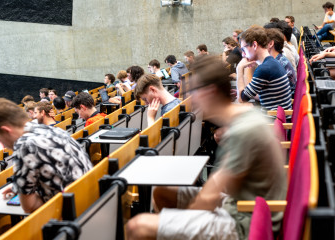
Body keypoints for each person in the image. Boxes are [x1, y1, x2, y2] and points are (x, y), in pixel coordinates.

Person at [126, 56, 286, 240]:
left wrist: (183, 220)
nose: (191, 97)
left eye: (195, 91)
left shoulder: (243, 131)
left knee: (138, 227)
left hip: (248, 222)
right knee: (162, 192)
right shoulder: (242, 120)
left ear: (210, 92)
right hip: (238, 202)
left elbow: (209, 198)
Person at [0, 98, 92, 213]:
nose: (4, 145)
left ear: (6, 131)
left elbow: (30, 207)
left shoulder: (24, 145)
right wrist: (20, 186)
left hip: (73, 213)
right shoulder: (53, 130)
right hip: (89, 197)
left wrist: (24, 191)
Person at [237, 26, 292, 111]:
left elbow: (241, 99)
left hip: (273, 121)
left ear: (254, 45)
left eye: (244, 49)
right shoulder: (272, 62)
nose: (243, 54)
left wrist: (239, 69)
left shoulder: (264, 69)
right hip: (279, 118)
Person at [266, 28, 297, 92]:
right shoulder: (279, 58)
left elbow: (262, 94)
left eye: (264, 42)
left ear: (271, 44)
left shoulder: (277, 63)